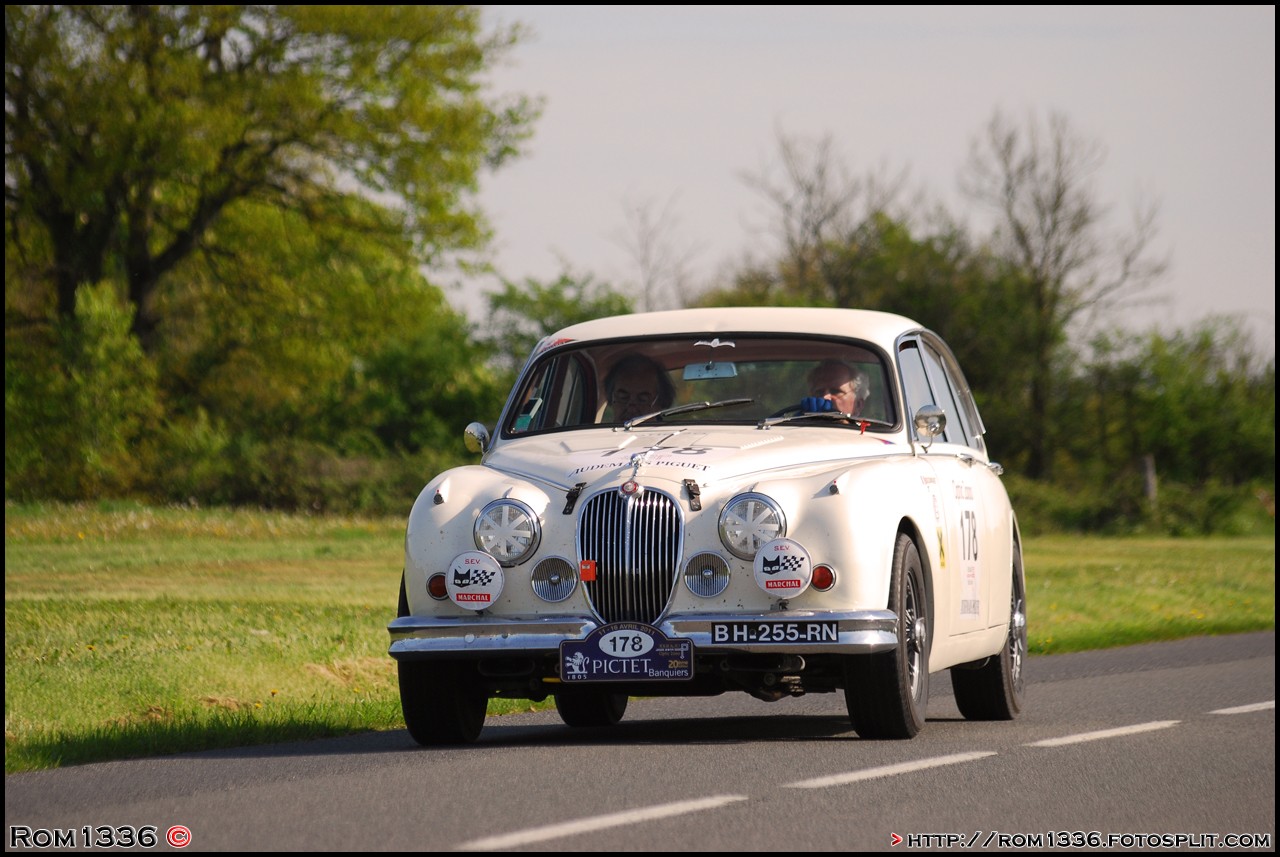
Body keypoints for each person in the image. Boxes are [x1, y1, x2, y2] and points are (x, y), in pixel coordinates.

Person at [604, 353, 676, 422]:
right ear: (611, 398)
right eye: (623, 397)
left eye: (642, 400)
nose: (631, 409)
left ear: (660, 405)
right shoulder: (597, 433)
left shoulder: (675, 433)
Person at [802, 359, 870, 417]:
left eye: (835, 391)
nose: (825, 397)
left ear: (858, 405)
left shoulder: (868, 432)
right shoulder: (798, 430)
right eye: (819, 392)